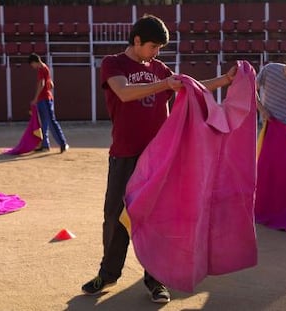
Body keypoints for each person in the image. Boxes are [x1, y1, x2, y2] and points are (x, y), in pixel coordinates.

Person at [81, 14, 237, 304]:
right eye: (153, 46)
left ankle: (156, 279)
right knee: (115, 216)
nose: (157, 53)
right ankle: (108, 274)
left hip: (158, 158)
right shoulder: (113, 63)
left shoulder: (158, 68)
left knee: (157, 219)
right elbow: (124, 93)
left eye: (160, 48)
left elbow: (192, 87)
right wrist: (164, 84)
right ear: (137, 41)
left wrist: (225, 80)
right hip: (125, 154)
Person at [28, 53, 69, 153]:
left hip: (44, 99)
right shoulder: (45, 68)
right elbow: (51, 84)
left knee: (51, 121)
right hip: (45, 99)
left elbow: (42, 84)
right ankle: (45, 145)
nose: (32, 67)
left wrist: (35, 98)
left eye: (32, 64)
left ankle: (63, 143)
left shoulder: (41, 69)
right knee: (45, 123)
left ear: (34, 62)